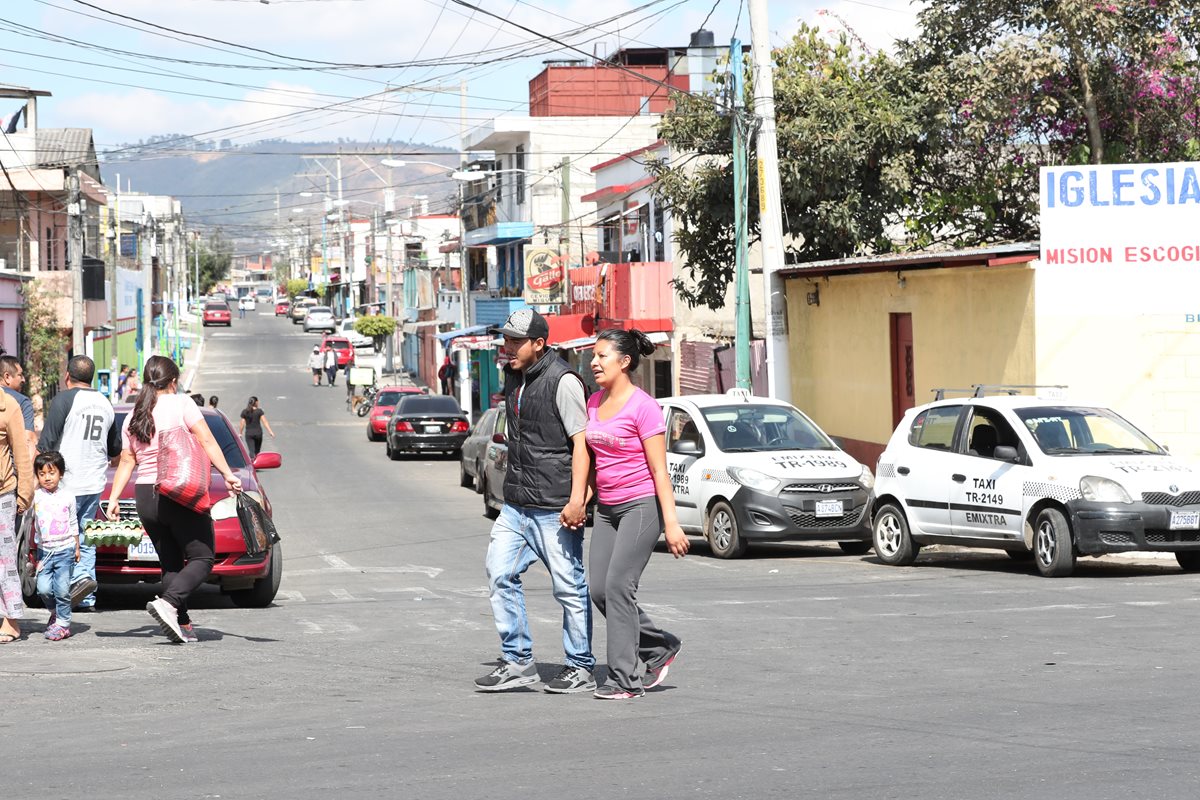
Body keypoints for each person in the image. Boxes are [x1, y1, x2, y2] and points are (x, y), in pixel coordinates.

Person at [474, 309, 596, 695]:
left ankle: (580, 666)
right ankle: (518, 662)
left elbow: (582, 445)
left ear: (539, 344)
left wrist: (578, 500)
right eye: (505, 339)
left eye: (514, 341)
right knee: (498, 573)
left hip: (554, 506)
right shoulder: (514, 377)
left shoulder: (564, 382)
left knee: (569, 588)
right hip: (516, 504)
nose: (506, 347)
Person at [105, 356, 243, 644]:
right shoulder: (182, 403)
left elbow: (127, 461)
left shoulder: (134, 415)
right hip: (177, 491)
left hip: (144, 495)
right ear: (173, 381)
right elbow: (206, 440)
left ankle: (182, 622)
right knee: (203, 558)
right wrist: (228, 474)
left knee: (170, 563)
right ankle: (168, 604)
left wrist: (115, 497)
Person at [584, 328, 688, 700]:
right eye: (593, 356)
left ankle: (625, 680)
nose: (594, 362)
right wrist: (581, 498)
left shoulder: (643, 407)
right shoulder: (594, 402)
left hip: (640, 507)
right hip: (608, 509)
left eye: (602, 356)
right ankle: (659, 648)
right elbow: (595, 460)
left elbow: (660, 470)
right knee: (598, 589)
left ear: (624, 362)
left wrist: (672, 523)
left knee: (618, 587)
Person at [37, 355, 118, 612]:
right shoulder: (105, 403)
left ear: (67, 376)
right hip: (93, 482)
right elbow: (114, 447)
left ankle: (58, 592)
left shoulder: (64, 399)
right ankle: (84, 592)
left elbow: (47, 443)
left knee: (58, 534)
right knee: (85, 536)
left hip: (66, 483)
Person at [31, 451, 79, 641]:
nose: (47, 478)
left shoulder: (68, 497)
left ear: (61, 474)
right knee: (43, 588)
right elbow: (28, 521)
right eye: (41, 474)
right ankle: (56, 613)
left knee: (61, 590)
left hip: (65, 550)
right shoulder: (35, 497)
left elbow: (73, 522)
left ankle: (63, 624)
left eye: (51, 473)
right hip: (45, 552)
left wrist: (76, 546)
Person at [0, 388, 34, 644]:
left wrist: (24, 494)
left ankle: (11, 620)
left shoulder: (8, 405)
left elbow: (21, 452)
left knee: (5, 559)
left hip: (3, 493)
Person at [0, 355, 37, 457]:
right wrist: (26, 472)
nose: (23, 380)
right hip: (9, 470)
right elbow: (28, 441)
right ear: (7, 377)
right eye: (20, 375)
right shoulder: (22, 402)